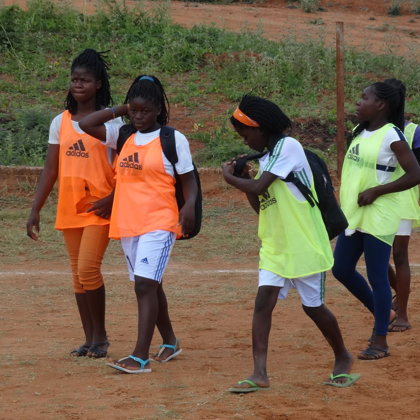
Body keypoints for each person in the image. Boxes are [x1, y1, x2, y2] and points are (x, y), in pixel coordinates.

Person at [221, 95, 359, 392]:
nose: (244, 140)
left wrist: (230, 178)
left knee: (314, 307)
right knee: (263, 303)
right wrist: (245, 178)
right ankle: (259, 373)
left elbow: (260, 186)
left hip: (304, 243)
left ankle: (343, 355)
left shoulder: (289, 147)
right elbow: (261, 204)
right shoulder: (267, 158)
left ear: (260, 127)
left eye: (245, 133)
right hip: (276, 244)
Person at [79, 75, 198, 374]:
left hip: (160, 221)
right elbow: (86, 124)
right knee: (150, 284)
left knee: (144, 285)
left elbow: (189, 180)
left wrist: (189, 207)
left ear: (158, 109)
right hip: (129, 223)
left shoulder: (173, 139)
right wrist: (123, 108)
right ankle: (170, 341)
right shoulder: (124, 134)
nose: (139, 116)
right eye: (135, 110)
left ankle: (139, 356)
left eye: (145, 110)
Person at [26, 49, 121, 358]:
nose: (78, 84)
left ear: (98, 84)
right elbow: (50, 169)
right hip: (70, 207)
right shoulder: (60, 121)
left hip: (99, 206)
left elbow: (125, 168)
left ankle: (101, 338)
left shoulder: (113, 123)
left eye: (85, 80)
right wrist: (35, 208)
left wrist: (112, 199)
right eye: (74, 79)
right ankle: (89, 339)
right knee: (77, 276)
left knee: (88, 268)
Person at [332, 79, 420, 360]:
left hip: (380, 213)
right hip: (355, 212)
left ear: (380, 104)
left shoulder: (392, 135)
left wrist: (377, 191)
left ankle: (380, 340)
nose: (358, 102)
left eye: (364, 97)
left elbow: (415, 174)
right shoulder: (360, 131)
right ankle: (385, 313)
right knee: (341, 269)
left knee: (378, 275)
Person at [384, 79, 420, 333]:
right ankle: (400, 293)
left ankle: (403, 314)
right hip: (375, 201)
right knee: (374, 255)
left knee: (399, 254)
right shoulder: (369, 129)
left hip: (403, 200)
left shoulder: (413, 132)